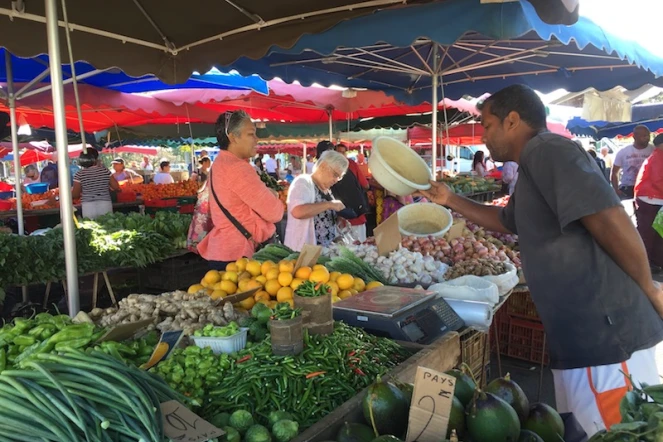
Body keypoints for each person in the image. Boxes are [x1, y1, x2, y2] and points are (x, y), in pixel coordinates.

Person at [418, 84, 663, 437]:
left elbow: (612, 220)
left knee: (611, 434)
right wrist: (450, 198)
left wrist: (649, 288)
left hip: (605, 340)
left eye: (487, 125)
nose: (483, 136)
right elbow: (506, 221)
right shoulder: (532, 166)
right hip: (580, 341)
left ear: (513, 121)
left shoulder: (549, 151)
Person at [197, 111, 284, 270]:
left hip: (223, 250)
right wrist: (274, 194)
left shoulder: (219, 163)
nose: (256, 139)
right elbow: (275, 212)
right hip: (237, 257)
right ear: (233, 137)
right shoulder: (237, 168)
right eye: (251, 134)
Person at [284, 150, 347, 251]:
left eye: (339, 177)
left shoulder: (327, 190)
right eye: (335, 174)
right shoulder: (303, 182)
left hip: (325, 254)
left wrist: (338, 220)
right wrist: (329, 204)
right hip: (305, 254)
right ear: (323, 166)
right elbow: (297, 211)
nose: (336, 180)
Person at [634, 133, 663, 274]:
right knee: (649, 233)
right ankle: (645, 264)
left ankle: (655, 262)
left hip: (654, 199)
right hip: (650, 199)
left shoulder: (657, 156)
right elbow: (658, 181)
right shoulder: (658, 157)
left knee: (656, 233)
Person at [331, 143, 370, 242]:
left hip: (349, 215)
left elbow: (365, 184)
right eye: (339, 152)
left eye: (343, 152)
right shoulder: (350, 164)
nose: (341, 155)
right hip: (344, 217)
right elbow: (365, 185)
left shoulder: (350, 165)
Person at [73, 149, 120, 219]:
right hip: (105, 204)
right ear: (96, 158)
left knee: (91, 227)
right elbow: (116, 187)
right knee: (107, 226)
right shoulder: (105, 170)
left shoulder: (79, 174)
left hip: (88, 206)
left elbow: (75, 194)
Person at [612, 125, 654, 199]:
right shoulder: (623, 151)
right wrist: (616, 189)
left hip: (648, 188)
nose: (647, 138)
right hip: (627, 188)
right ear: (634, 137)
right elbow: (614, 172)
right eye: (644, 136)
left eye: (648, 135)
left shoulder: (654, 150)